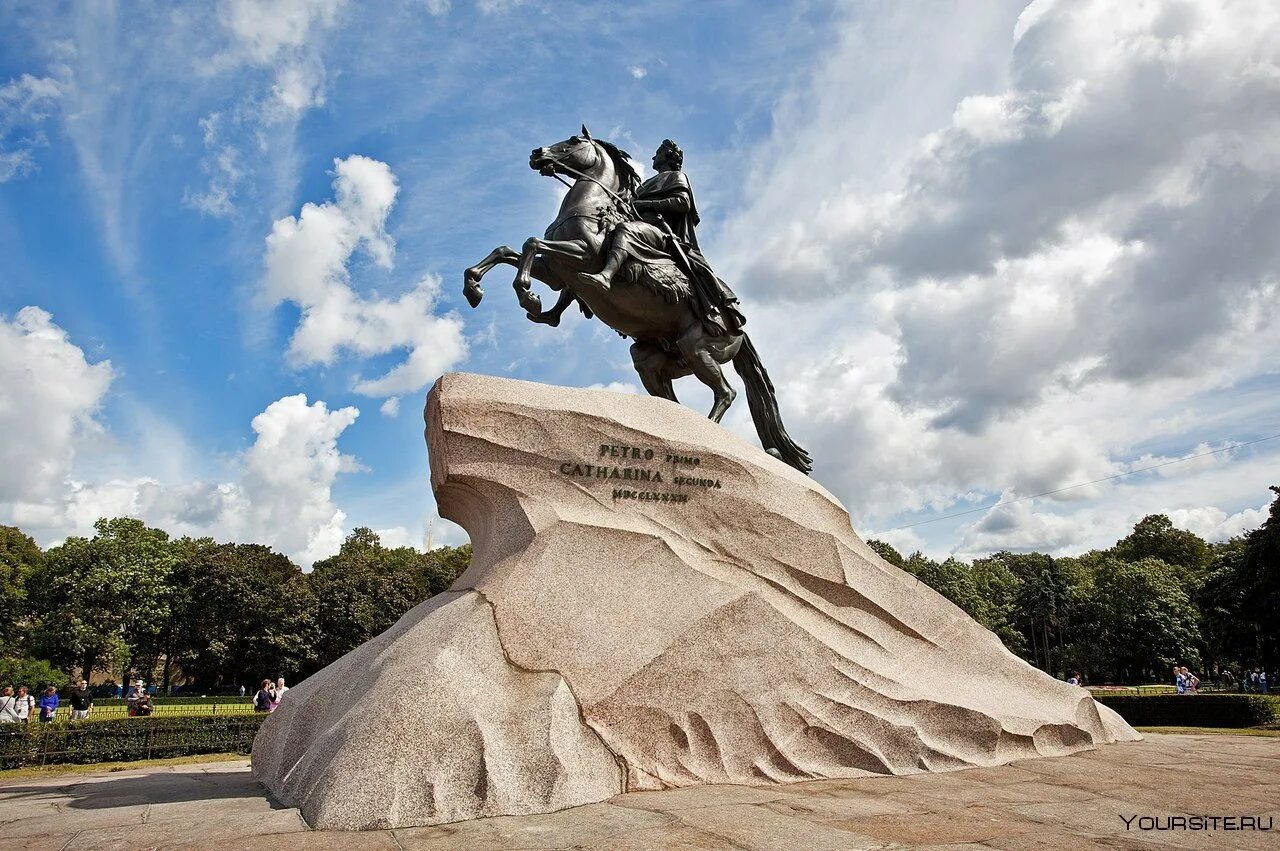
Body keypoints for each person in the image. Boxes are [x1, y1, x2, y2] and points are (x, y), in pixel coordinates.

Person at [578, 139, 745, 336]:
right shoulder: (647, 183)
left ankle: (606, 275)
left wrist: (646, 205)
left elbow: (682, 202)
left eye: (657, 153)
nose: (653, 157)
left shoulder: (676, 176)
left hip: (660, 232)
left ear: (667, 156)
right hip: (642, 226)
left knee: (625, 231)